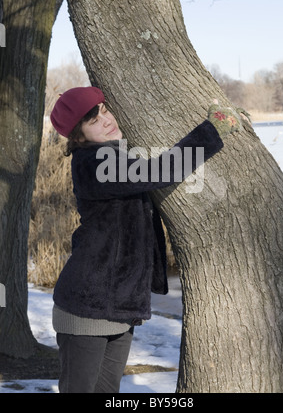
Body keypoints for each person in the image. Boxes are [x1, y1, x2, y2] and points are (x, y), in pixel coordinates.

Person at [50, 86, 244, 393]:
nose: (105, 119)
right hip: (86, 307)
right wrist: (211, 131)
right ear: (77, 137)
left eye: (103, 109)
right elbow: (159, 170)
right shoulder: (95, 164)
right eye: (92, 119)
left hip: (118, 306)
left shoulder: (113, 156)